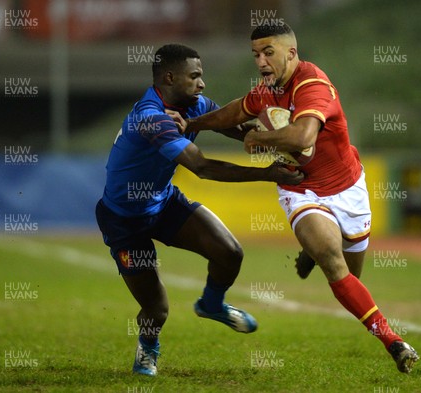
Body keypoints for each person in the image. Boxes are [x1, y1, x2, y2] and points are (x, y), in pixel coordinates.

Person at [184, 24, 419, 373]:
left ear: (291, 53)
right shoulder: (265, 90)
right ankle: (394, 341)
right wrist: (192, 124)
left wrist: (259, 140)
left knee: (352, 277)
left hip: (347, 189)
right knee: (332, 261)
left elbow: (304, 134)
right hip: (300, 187)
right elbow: (236, 111)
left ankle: (313, 251)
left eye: (268, 52)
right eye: (255, 55)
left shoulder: (313, 85)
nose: (261, 61)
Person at [95, 44, 303, 377]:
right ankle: (148, 348)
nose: (202, 84)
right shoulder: (152, 118)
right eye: (194, 76)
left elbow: (233, 128)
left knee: (230, 252)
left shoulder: (193, 105)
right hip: (124, 220)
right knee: (156, 308)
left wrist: (276, 137)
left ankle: (211, 304)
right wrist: (266, 173)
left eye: (201, 76)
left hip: (163, 203)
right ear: (169, 77)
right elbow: (202, 167)